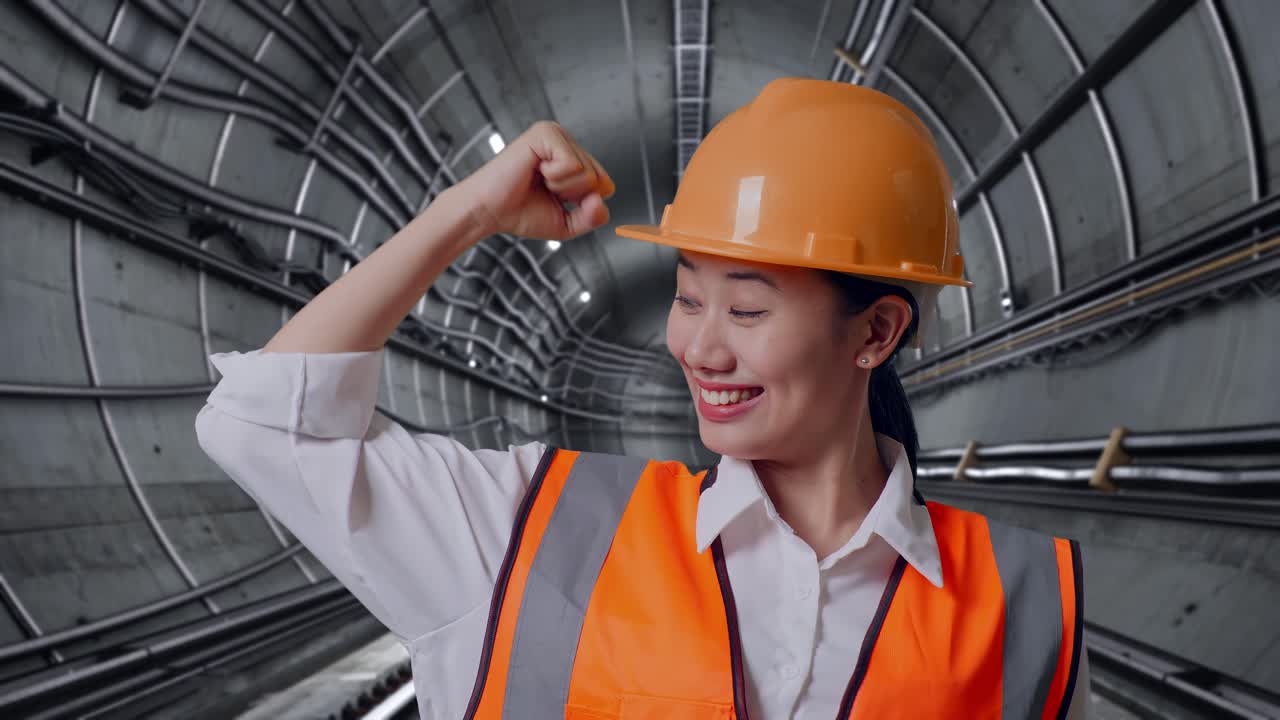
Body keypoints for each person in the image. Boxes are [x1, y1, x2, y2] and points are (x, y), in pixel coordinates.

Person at [196, 78, 1090, 719]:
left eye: (746, 308)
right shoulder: (529, 531)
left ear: (876, 333)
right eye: (688, 295)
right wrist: (471, 212)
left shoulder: (1026, 608)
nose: (698, 346)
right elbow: (263, 424)